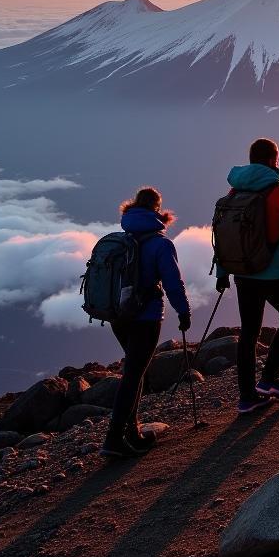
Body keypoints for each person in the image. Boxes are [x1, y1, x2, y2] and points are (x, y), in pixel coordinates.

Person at [215, 138, 279, 414]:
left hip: (243, 273)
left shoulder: (234, 192)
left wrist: (222, 273)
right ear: (273, 160)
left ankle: (247, 397)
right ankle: (270, 379)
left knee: (248, 332)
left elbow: (224, 237)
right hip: (273, 273)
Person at [102, 187, 191, 458]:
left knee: (134, 370)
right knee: (133, 374)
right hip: (146, 316)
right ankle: (114, 438)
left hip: (118, 316)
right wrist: (183, 312)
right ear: (157, 209)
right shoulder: (160, 244)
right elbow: (173, 283)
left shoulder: (121, 239)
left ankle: (132, 433)